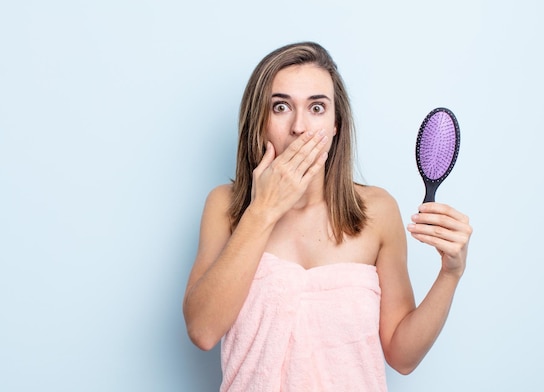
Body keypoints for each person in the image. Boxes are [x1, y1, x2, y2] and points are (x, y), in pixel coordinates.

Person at [183, 41, 472, 391]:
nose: (300, 127)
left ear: (336, 125)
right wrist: (263, 211)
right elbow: (202, 330)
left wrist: (450, 273)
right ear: (258, 123)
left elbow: (402, 356)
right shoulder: (225, 205)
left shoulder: (378, 211)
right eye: (280, 107)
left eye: (317, 107)